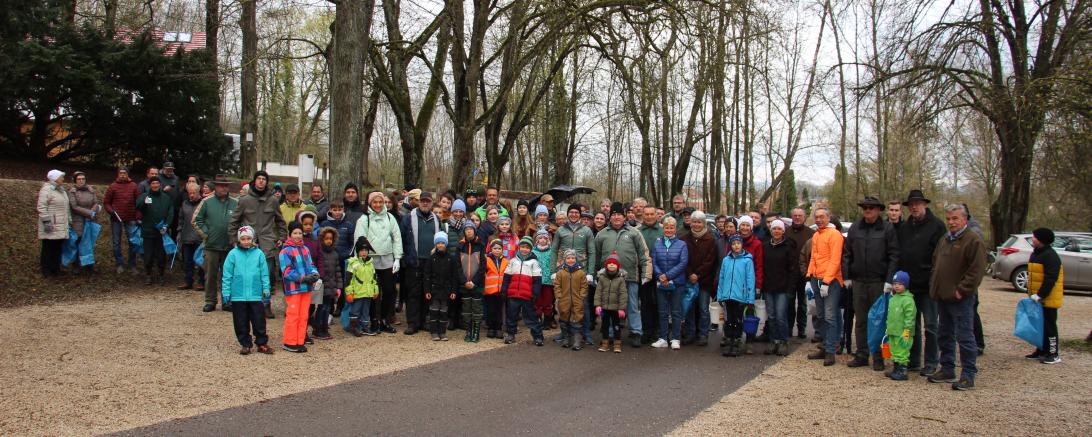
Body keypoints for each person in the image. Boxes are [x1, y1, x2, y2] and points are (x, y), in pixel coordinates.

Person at [927, 204, 987, 390]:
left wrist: (962, 290)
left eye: (955, 219)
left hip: (961, 297)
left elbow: (976, 270)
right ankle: (947, 368)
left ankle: (968, 374)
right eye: (949, 219)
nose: (951, 222)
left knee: (965, 336)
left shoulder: (973, 240)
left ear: (964, 219)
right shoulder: (945, 239)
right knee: (945, 334)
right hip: (943, 296)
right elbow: (936, 262)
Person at [842, 196, 900, 371]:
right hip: (859, 281)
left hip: (878, 281)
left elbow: (894, 255)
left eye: (871, 208)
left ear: (878, 210)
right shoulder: (855, 228)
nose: (868, 210)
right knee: (860, 320)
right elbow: (846, 254)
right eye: (865, 207)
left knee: (878, 320)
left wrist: (889, 280)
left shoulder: (887, 228)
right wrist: (846, 275)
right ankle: (861, 353)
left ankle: (878, 356)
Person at [895, 189, 946, 376]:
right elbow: (900, 254)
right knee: (910, 326)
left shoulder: (937, 226)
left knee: (931, 326)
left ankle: (932, 361)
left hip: (928, 285)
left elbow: (940, 257)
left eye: (918, 203)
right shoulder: (905, 228)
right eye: (911, 204)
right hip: (909, 286)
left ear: (924, 204)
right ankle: (913, 360)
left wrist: (935, 280)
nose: (914, 207)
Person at [230, 171, 288, 319]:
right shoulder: (244, 200)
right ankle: (249, 305)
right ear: (254, 181)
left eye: (264, 179)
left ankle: (266, 305)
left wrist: (282, 236)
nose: (261, 181)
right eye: (259, 179)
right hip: (248, 244)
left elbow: (280, 221)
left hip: (267, 243)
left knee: (267, 275)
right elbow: (234, 221)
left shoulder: (273, 201)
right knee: (249, 275)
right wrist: (234, 239)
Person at [594, 202, 652, 348]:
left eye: (619, 214)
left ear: (624, 216)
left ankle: (636, 332)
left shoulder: (634, 233)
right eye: (613, 215)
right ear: (610, 217)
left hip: (630, 276)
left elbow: (644, 254)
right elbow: (596, 255)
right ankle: (610, 333)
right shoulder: (602, 234)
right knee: (609, 306)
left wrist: (646, 273)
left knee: (632, 305)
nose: (616, 217)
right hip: (608, 279)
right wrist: (595, 274)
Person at [353, 191, 403, 334]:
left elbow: (396, 237)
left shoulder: (390, 217)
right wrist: (360, 258)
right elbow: (359, 239)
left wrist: (397, 257)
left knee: (390, 290)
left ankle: (385, 320)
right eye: (375, 202)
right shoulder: (364, 219)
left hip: (387, 259)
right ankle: (373, 320)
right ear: (370, 203)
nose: (378, 205)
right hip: (370, 260)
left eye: (380, 202)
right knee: (373, 292)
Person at [221, 226, 274, 355]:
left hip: (255, 294)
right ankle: (245, 344)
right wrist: (226, 291)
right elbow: (227, 274)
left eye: (248, 238)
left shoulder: (259, 254)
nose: (246, 241)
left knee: (259, 320)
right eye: (243, 239)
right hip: (238, 295)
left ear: (253, 238)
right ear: (239, 240)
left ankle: (262, 343)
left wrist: (266, 288)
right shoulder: (232, 254)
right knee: (240, 321)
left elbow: (264, 273)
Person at [805, 207, 845, 366]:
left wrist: (827, 281)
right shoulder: (816, 235)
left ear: (829, 217)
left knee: (830, 316)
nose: (819, 219)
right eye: (817, 217)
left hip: (831, 280)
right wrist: (809, 277)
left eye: (822, 217)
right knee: (820, 315)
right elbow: (813, 258)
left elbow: (835, 260)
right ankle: (823, 346)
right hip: (816, 278)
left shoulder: (835, 235)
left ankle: (830, 350)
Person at [192, 175, 238, 311]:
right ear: (215, 187)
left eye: (226, 185)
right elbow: (196, 220)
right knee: (210, 275)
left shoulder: (236, 203)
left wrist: (236, 238)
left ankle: (227, 301)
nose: (224, 188)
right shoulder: (207, 202)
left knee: (228, 275)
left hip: (230, 246)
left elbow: (241, 221)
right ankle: (210, 301)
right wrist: (207, 234)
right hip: (211, 246)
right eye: (221, 185)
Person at [400, 191, 440, 335]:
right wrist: (405, 258)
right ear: (418, 202)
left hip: (430, 262)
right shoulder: (408, 218)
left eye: (427, 201)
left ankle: (423, 321)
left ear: (431, 203)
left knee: (427, 293)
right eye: (422, 200)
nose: (424, 203)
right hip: (413, 261)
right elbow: (402, 239)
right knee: (413, 293)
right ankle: (412, 323)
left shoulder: (436, 219)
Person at [279, 221, 320, 353]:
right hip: (294, 288)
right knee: (293, 315)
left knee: (303, 316)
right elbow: (287, 271)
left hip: (306, 288)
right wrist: (302, 278)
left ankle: (299, 340)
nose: (298, 235)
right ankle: (289, 342)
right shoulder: (285, 251)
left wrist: (314, 274)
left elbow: (311, 265)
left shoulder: (305, 249)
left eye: (300, 233)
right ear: (290, 234)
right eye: (295, 233)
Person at [1025, 228, 1064, 364]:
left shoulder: (1050, 256)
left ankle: (1053, 353)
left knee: (1049, 325)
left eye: (1035, 237)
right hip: (1037, 298)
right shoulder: (1036, 253)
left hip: (1048, 298)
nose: (1032, 239)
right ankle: (1041, 350)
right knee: (1039, 325)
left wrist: (1041, 295)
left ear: (1042, 239)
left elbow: (1050, 278)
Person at [651, 217, 689, 350]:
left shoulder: (682, 244)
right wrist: (660, 276)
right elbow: (653, 261)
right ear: (663, 228)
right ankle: (663, 338)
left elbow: (683, 263)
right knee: (662, 312)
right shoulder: (657, 244)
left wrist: (667, 275)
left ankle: (675, 338)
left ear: (675, 229)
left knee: (676, 312)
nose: (669, 230)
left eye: (671, 227)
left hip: (677, 283)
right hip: (661, 283)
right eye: (666, 227)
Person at [762, 219, 798, 356]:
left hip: (783, 288)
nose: (776, 231)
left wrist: (790, 288)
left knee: (780, 315)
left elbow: (793, 270)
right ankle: (773, 340)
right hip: (769, 287)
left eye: (779, 229)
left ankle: (784, 340)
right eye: (774, 229)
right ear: (771, 231)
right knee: (771, 316)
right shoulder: (766, 246)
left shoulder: (788, 247)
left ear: (783, 231)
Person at [717, 234, 756, 357]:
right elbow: (722, 278)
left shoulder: (747, 260)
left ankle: (737, 342)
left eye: (738, 243)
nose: (736, 246)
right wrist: (720, 295)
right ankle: (729, 341)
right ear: (730, 246)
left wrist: (750, 298)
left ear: (742, 244)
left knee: (738, 320)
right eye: (733, 244)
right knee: (729, 320)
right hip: (727, 296)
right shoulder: (726, 260)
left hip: (740, 296)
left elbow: (750, 279)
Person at [681, 211, 716, 347]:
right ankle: (690, 333)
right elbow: (683, 259)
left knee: (703, 308)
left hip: (704, 280)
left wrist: (698, 275)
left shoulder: (710, 239)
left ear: (704, 223)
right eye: (694, 222)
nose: (696, 224)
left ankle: (703, 334)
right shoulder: (685, 239)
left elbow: (710, 261)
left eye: (699, 222)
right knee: (689, 308)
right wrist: (690, 273)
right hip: (688, 279)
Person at [502, 237, 544, 345]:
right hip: (513, 294)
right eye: (522, 247)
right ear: (519, 247)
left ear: (530, 249)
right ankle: (511, 334)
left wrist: (535, 293)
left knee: (531, 317)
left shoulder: (534, 262)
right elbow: (506, 277)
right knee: (511, 316)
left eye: (527, 247)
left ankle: (537, 336)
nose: (524, 249)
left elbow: (537, 280)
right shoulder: (513, 261)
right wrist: (504, 290)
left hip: (527, 295)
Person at [424, 231, 462, 341]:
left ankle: (442, 332)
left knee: (444, 312)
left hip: (446, 291)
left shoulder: (451, 258)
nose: (440, 245)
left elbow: (455, 277)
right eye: (438, 243)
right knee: (434, 311)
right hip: (434, 290)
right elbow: (427, 276)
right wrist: (427, 290)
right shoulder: (431, 258)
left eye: (443, 243)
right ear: (435, 244)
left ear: (446, 244)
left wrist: (454, 291)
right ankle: (434, 332)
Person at [135, 177, 173, 285]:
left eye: (157, 183)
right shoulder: (144, 196)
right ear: (150, 185)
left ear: (160, 185)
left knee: (161, 256)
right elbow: (138, 207)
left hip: (162, 232)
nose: (155, 185)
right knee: (148, 255)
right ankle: (148, 275)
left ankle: (161, 275)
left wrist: (167, 225)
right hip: (148, 231)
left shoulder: (166, 198)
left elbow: (170, 212)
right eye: (153, 183)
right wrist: (144, 202)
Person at [103, 167, 141, 274]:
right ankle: (119, 264)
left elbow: (139, 202)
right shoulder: (113, 186)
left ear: (128, 174)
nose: (122, 175)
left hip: (131, 218)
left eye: (124, 173)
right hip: (116, 218)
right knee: (116, 242)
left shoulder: (134, 186)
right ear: (118, 174)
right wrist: (111, 212)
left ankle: (132, 265)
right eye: (121, 173)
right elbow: (106, 203)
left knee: (133, 242)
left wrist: (138, 216)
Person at [785, 208, 814, 339]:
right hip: (789, 274)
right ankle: (789, 328)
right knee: (789, 302)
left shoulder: (811, 233)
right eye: (795, 215)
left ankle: (801, 328)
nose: (797, 217)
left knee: (802, 302)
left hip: (805, 274)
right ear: (791, 217)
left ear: (804, 217)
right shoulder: (785, 232)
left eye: (800, 215)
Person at [736, 215, 764, 349]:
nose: (745, 228)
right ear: (739, 226)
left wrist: (758, 286)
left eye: (748, 225)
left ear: (751, 227)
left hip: (750, 284)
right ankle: (736, 338)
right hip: (736, 283)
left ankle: (750, 341)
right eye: (743, 225)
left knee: (749, 313)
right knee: (735, 313)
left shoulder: (757, 244)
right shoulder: (734, 241)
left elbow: (759, 266)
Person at [637, 206, 664, 345]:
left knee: (659, 302)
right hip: (644, 272)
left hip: (661, 272)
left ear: (656, 215)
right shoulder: (637, 231)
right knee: (646, 302)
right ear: (642, 215)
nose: (648, 217)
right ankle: (646, 331)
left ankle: (658, 331)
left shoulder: (663, 230)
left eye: (651, 214)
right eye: (646, 214)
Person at [38, 170, 71, 278]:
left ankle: (55, 269)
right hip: (51, 224)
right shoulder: (46, 190)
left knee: (57, 247)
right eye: (61, 177)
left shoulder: (61, 190)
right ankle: (46, 270)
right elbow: (41, 207)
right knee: (48, 247)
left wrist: (68, 220)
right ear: (55, 178)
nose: (63, 179)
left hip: (61, 224)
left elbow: (66, 207)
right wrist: (46, 222)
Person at [456, 222, 487, 342]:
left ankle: (476, 331)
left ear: (475, 231)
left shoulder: (480, 245)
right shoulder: (460, 246)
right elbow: (458, 266)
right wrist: (464, 281)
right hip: (464, 284)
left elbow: (483, 266)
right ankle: (468, 330)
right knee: (466, 308)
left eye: (471, 229)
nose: (469, 231)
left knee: (477, 308)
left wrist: (474, 281)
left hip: (477, 283)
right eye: (466, 229)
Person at [67, 171, 102, 275]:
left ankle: (89, 266)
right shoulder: (72, 192)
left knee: (89, 243)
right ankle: (76, 266)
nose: (81, 181)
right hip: (78, 221)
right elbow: (74, 207)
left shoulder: (91, 190)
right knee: (78, 243)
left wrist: (93, 210)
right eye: (79, 179)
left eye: (83, 179)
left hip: (90, 220)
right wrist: (89, 212)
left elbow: (96, 202)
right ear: (75, 180)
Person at [345, 236, 379, 337]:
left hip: (368, 292)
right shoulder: (353, 264)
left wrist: (375, 290)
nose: (364, 252)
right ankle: (354, 327)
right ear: (357, 251)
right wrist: (349, 292)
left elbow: (374, 278)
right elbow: (348, 280)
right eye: (361, 250)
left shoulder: (370, 264)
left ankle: (365, 327)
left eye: (366, 250)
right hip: (357, 292)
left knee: (365, 311)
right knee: (355, 310)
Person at [554, 250, 589, 350]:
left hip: (577, 300)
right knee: (564, 319)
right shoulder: (560, 273)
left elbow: (584, 286)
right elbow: (557, 286)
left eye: (572, 258)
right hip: (564, 300)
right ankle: (566, 338)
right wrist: (559, 296)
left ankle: (577, 341)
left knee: (577, 320)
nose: (570, 260)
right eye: (568, 258)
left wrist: (581, 296)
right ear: (564, 260)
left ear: (576, 259)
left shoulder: (581, 273)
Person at [595, 253, 629, 353]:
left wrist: (622, 308)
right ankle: (605, 343)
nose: (611, 265)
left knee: (616, 326)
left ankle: (617, 344)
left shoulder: (620, 279)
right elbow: (598, 292)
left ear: (618, 266)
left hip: (616, 308)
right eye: (609, 263)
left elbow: (623, 294)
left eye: (614, 264)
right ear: (606, 265)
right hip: (604, 307)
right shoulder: (602, 277)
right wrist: (597, 305)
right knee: (604, 326)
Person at [886, 271, 917, 381]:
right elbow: (890, 315)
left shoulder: (908, 300)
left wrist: (907, 330)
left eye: (900, 284)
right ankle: (896, 368)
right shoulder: (893, 298)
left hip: (903, 332)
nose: (896, 286)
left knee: (902, 351)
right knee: (894, 350)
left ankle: (903, 370)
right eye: (895, 284)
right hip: (893, 331)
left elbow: (910, 316)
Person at [313, 226, 342, 339]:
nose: (329, 241)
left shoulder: (334, 254)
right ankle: (318, 328)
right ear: (321, 239)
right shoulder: (319, 253)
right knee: (321, 307)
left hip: (331, 286)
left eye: (331, 238)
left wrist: (339, 287)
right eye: (326, 238)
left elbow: (337, 271)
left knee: (327, 307)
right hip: (321, 285)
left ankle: (324, 327)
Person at [177, 183, 205, 290]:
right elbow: (181, 219)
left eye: (194, 193)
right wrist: (179, 232)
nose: (192, 195)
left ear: (199, 192)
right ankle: (188, 281)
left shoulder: (204, 203)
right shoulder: (184, 204)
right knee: (187, 261)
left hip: (200, 237)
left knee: (200, 261)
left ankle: (202, 282)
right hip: (186, 236)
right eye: (190, 193)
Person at [483, 240, 508, 339]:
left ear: (502, 250)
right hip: (489, 291)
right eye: (495, 248)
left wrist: (505, 289)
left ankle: (498, 328)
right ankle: (491, 328)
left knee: (499, 310)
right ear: (491, 249)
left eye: (499, 248)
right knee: (490, 310)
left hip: (501, 291)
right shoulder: (486, 259)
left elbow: (507, 276)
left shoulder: (506, 261)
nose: (497, 251)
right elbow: (483, 273)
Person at [532, 229, 556, 330]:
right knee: (537, 301)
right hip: (536, 281)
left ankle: (547, 321)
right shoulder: (533, 252)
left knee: (548, 301)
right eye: (540, 238)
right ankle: (537, 319)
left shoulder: (551, 252)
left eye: (545, 238)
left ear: (548, 240)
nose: (542, 240)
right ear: (537, 240)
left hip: (548, 281)